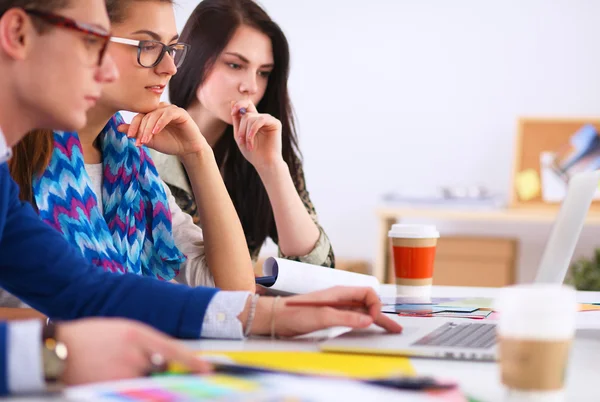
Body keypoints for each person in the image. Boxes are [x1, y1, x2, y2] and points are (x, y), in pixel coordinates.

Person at [0, 1, 400, 393]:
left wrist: (274, 314)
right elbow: (77, 305)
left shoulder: (127, 163)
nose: (103, 67)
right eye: (92, 42)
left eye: (170, 48)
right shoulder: (26, 166)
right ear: (17, 35)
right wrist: (56, 353)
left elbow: (88, 291)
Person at [9, 0, 255, 291]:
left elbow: (235, 293)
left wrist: (198, 156)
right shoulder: (12, 153)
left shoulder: (131, 169)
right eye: (147, 45)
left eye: (172, 49)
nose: (169, 69)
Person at [154, 0, 335, 268]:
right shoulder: (144, 146)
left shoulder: (267, 150)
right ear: (194, 57)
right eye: (235, 65)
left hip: (237, 308)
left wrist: (272, 167)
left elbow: (316, 271)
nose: (250, 86)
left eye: (263, 73)